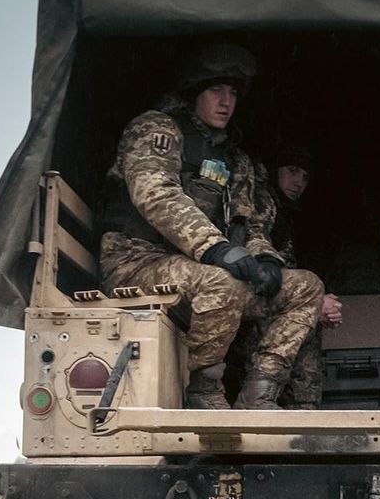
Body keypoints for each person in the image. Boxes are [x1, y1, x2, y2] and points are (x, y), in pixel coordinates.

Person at [96, 45, 324, 409]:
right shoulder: (158, 128)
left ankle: (259, 393)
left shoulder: (233, 158)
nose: (226, 102)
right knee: (220, 281)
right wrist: (215, 248)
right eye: (216, 91)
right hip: (136, 264)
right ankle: (202, 390)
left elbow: (249, 223)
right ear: (194, 93)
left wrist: (266, 261)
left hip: (197, 271)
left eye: (233, 93)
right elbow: (156, 194)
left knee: (306, 288)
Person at [262, 143, 341, 408]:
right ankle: (265, 402)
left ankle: (306, 414)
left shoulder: (288, 214)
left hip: (278, 306)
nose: (298, 182)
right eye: (292, 171)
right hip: (253, 313)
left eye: (305, 177)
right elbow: (259, 275)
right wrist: (314, 303)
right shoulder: (263, 206)